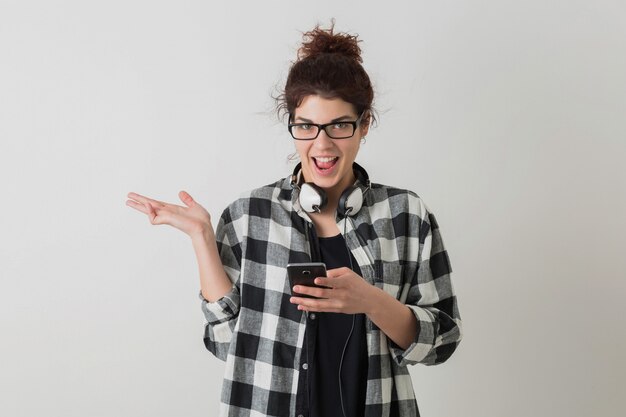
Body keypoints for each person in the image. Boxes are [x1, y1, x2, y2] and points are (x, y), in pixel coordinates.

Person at [127, 23, 461, 417]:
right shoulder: (249, 214)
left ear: (364, 124)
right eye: (306, 126)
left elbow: (441, 340)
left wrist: (370, 300)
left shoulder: (407, 215)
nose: (322, 144)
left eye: (339, 125)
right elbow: (226, 341)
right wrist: (201, 236)